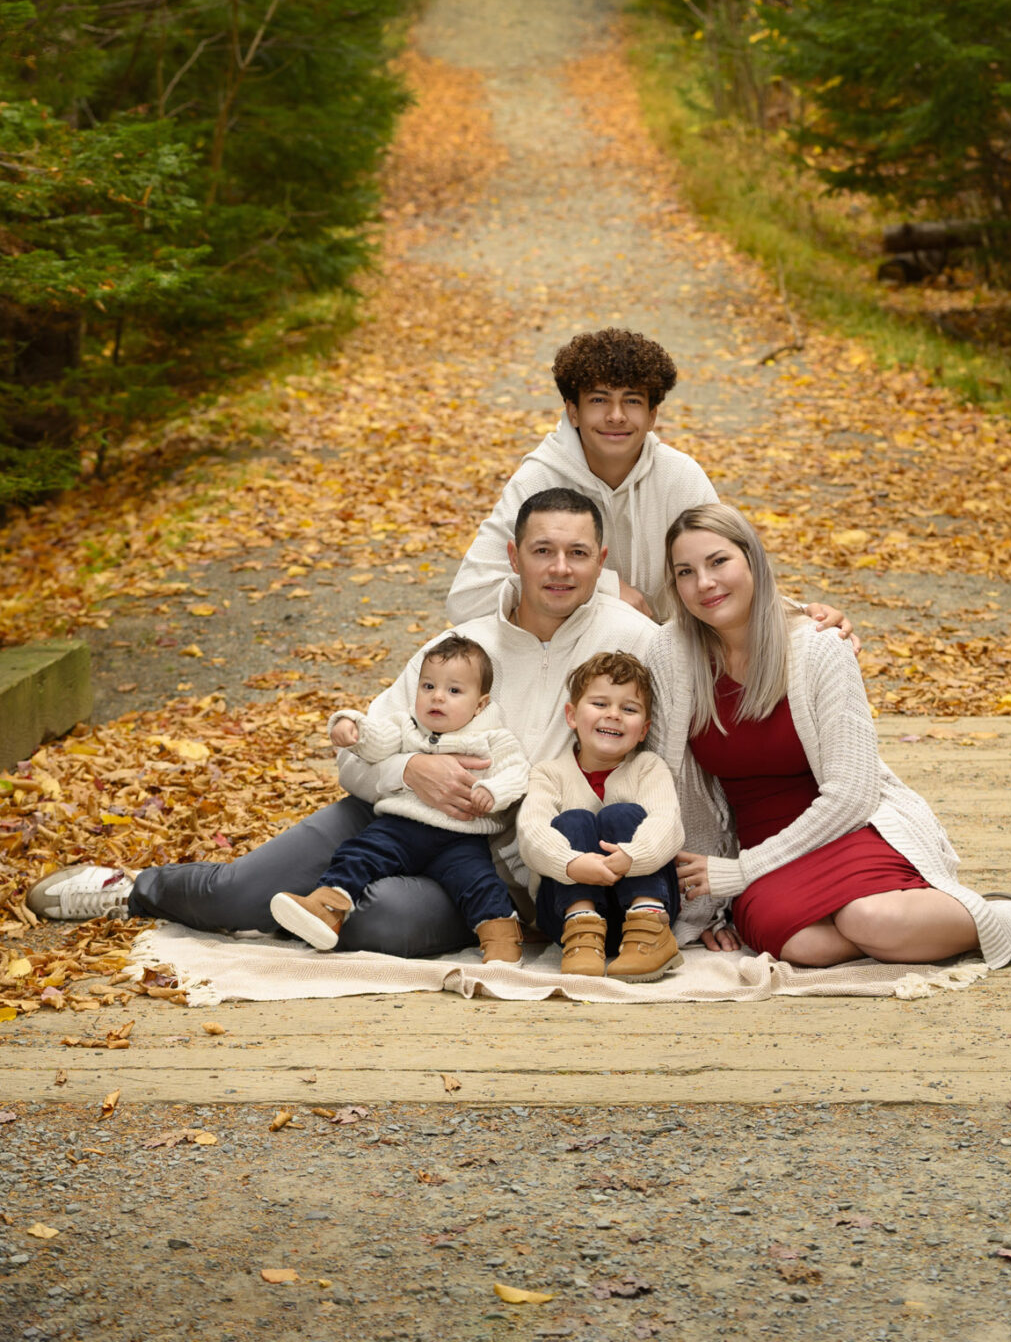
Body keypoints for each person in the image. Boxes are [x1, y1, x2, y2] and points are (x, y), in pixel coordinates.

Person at [27, 488, 658, 957]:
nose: (560, 568)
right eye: (542, 550)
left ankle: (321, 908)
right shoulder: (463, 643)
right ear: (513, 556)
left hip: (485, 860)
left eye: (578, 553)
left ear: (600, 559)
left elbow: (673, 763)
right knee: (238, 895)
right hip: (387, 815)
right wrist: (410, 767)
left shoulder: (632, 641)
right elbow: (356, 753)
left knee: (387, 926)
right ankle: (138, 888)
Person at [649, 504, 1011, 969]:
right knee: (802, 946)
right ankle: (947, 918)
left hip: (846, 828)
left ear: (752, 560)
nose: (705, 583)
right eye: (685, 572)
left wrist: (741, 872)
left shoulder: (819, 647)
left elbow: (853, 795)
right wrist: (714, 903)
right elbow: (670, 790)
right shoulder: (672, 657)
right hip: (762, 849)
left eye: (718, 562)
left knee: (870, 918)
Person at [269, 636, 529, 964]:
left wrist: (492, 793)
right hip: (401, 826)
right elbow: (379, 742)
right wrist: (354, 729)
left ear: (480, 704)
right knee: (359, 853)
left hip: (461, 837)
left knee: (479, 883)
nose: (437, 697)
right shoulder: (408, 727)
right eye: (428, 686)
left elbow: (516, 774)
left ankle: (502, 940)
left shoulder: (493, 739)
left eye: (454, 691)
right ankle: (328, 907)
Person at [447, 328, 718, 622]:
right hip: (568, 653)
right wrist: (601, 587)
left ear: (652, 415)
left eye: (632, 401)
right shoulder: (538, 480)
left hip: (667, 647)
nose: (616, 416)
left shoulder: (681, 478)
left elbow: (727, 574)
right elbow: (468, 599)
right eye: (599, 400)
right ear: (573, 412)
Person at [518, 650, 684, 982]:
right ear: (571, 715)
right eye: (600, 704)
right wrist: (570, 864)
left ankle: (649, 930)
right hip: (567, 916)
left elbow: (667, 823)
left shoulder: (647, 768)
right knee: (573, 820)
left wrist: (632, 857)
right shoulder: (549, 774)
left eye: (629, 709)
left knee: (623, 814)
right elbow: (531, 831)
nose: (614, 715)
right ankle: (582, 929)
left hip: (643, 908)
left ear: (643, 729)